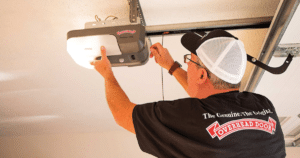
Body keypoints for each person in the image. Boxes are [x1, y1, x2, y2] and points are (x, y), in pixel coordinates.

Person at [90, 29, 286, 158]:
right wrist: (172, 66)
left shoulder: (188, 116)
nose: (186, 63)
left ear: (202, 74)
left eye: (189, 60)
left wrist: (107, 74)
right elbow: (207, 105)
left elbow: (122, 113)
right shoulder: (262, 105)